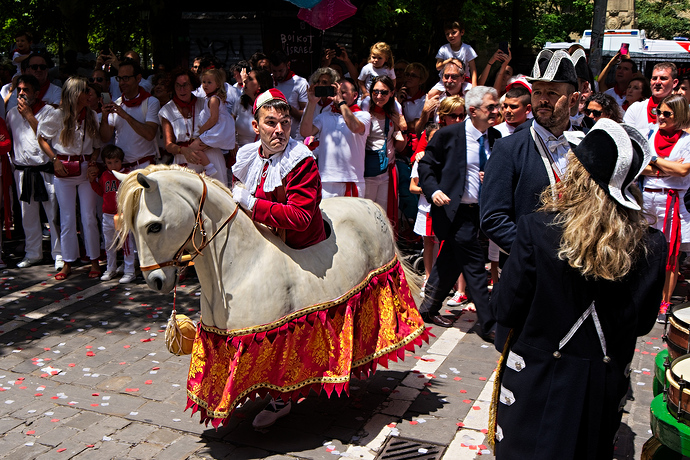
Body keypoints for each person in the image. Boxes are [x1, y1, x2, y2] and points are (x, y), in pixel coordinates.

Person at [491, 119, 665, 458]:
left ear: (579, 176)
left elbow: (505, 308)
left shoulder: (536, 229)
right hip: (602, 386)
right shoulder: (652, 245)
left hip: (535, 384)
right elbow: (643, 323)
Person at [418, 86, 501, 340]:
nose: (496, 112)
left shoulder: (495, 137)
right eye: (491, 108)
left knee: (451, 262)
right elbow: (426, 167)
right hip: (453, 212)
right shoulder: (448, 135)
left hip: (480, 212)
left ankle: (427, 308)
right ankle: (489, 325)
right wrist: (433, 192)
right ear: (473, 111)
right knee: (475, 267)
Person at [481, 50, 580, 254]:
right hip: (529, 270)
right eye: (537, 92)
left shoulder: (587, 145)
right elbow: (493, 218)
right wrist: (532, 253)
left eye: (552, 93)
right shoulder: (508, 149)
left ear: (572, 99)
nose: (543, 99)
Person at [231, 88, 327, 249]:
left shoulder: (300, 160)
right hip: (260, 246)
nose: (280, 130)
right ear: (256, 126)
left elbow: (300, 217)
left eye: (285, 122)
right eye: (271, 123)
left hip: (301, 250)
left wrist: (252, 204)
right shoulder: (247, 157)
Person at [38, 77, 102, 280]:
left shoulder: (91, 115)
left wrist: (92, 163)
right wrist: (55, 160)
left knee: (88, 217)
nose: (89, 95)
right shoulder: (57, 115)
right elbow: (41, 137)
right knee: (66, 218)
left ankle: (94, 259)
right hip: (64, 169)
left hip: (84, 168)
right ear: (75, 94)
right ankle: (67, 261)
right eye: (85, 91)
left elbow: (97, 145)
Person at [641, 94, 690, 322]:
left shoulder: (687, 141)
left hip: (672, 202)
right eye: (658, 112)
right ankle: (644, 295)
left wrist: (653, 160)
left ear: (678, 116)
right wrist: (666, 166)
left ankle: (665, 301)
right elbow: (639, 167)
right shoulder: (650, 135)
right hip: (648, 198)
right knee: (645, 249)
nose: (660, 116)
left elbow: (683, 172)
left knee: (671, 253)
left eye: (666, 114)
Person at [6, 74, 61, 269]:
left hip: (45, 170)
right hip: (22, 171)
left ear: (37, 93)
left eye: (26, 89)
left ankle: (59, 254)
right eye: (19, 89)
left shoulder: (48, 112)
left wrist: (30, 116)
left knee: (53, 214)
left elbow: (46, 136)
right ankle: (33, 253)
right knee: (27, 215)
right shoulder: (12, 113)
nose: (21, 93)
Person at [300, 76, 370, 198]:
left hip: (352, 180)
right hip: (327, 181)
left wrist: (341, 103)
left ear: (354, 96)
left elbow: (355, 127)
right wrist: (311, 103)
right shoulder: (324, 116)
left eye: (343, 92)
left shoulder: (363, 115)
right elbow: (305, 132)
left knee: (353, 217)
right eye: (336, 92)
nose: (339, 95)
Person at [159, 68, 225, 181]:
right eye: (178, 85)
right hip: (184, 160)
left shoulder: (205, 103)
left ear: (192, 85)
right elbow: (169, 145)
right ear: (173, 87)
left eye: (185, 85)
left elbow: (221, 127)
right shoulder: (166, 110)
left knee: (217, 195)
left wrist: (209, 143)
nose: (182, 89)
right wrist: (184, 150)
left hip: (210, 155)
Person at [100, 58, 161, 171]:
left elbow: (149, 134)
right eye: (120, 78)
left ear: (138, 78)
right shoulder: (118, 103)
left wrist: (126, 115)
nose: (122, 82)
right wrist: (104, 117)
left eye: (126, 78)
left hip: (144, 166)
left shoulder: (151, 102)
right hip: (121, 168)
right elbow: (105, 138)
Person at [88, 145, 136, 283]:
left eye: (116, 162)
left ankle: (129, 271)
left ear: (121, 161)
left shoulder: (127, 175)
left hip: (121, 215)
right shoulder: (104, 175)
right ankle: (111, 268)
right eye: (109, 162)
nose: (113, 165)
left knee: (126, 244)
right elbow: (101, 192)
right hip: (107, 215)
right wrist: (92, 182)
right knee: (109, 244)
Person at [363, 76, 406, 222]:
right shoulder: (365, 108)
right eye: (375, 92)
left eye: (384, 92)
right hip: (369, 169)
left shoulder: (395, 109)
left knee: (383, 214)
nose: (379, 96)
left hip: (388, 170)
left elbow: (399, 146)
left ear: (392, 93)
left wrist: (402, 128)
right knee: (367, 212)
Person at [624, 62, 678, 137]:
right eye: (654, 78)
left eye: (663, 78)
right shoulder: (635, 109)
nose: (657, 82)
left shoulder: (682, 110)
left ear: (674, 83)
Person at [270, 50, 308, 139]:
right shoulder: (269, 81)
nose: (277, 75)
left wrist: (287, 108)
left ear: (288, 65)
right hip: (273, 137)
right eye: (274, 71)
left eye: (280, 70)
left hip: (295, 138)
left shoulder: (301, 83)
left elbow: (307, 115)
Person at [197, 68, 235, 156]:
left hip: (216, 132)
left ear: (217, 85)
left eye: (209, 82)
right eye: (204, 82)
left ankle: (209, 168)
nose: (205, 85)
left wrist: (201, 131)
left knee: (193, 148)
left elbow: (213, 119)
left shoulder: (214, 99)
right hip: (215, 132)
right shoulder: (210, 98)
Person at [233, 69, 273, 148]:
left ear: (260, 84)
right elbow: (230, 124)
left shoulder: (271, 106)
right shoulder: (240, 101)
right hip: (239, 153)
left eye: (250, 79)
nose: (245, 81)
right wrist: (232, 143)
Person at [435, 20, 477, 87]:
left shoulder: (467, 49)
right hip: (445, 82)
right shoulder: (444, 48)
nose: (450, 36)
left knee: (469, 95)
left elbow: (473, 69)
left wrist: (474, 85)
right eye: (447, 34)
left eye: (454, 32)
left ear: (462, 32)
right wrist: (450, 60)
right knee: (431, 94)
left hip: (463, 81)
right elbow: (438, 67)